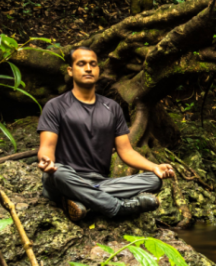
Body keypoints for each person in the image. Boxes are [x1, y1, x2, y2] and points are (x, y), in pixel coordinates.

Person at [37, 46, 175, 221]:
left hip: (100, 182)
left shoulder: (112, 108)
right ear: (70, 71)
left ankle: (84, 201)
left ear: (98, 70)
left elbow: (126, 151)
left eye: (93, 64)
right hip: (64, 179)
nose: (88, 68)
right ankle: (118, 207)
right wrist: (46, 161)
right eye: (81, 64)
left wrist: (154, 167)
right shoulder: (55, 106)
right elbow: (46, 147)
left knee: (154, 180)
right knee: (58, 173)